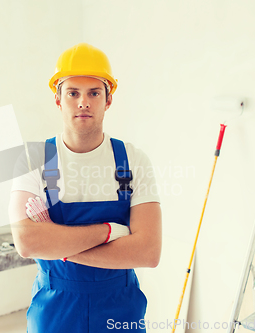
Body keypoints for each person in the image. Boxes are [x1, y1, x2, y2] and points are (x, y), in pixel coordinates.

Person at [9, 43, 162, 333]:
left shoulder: (133, 160)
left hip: (120, 306)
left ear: (108, 100)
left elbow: (148, 252)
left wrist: (57, 244)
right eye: (73, 93)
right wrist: (112, 231)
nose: (83, 102)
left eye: (94, 93)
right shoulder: (33, 160)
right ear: (58, 99)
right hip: (55, 308)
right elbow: (28, 244)